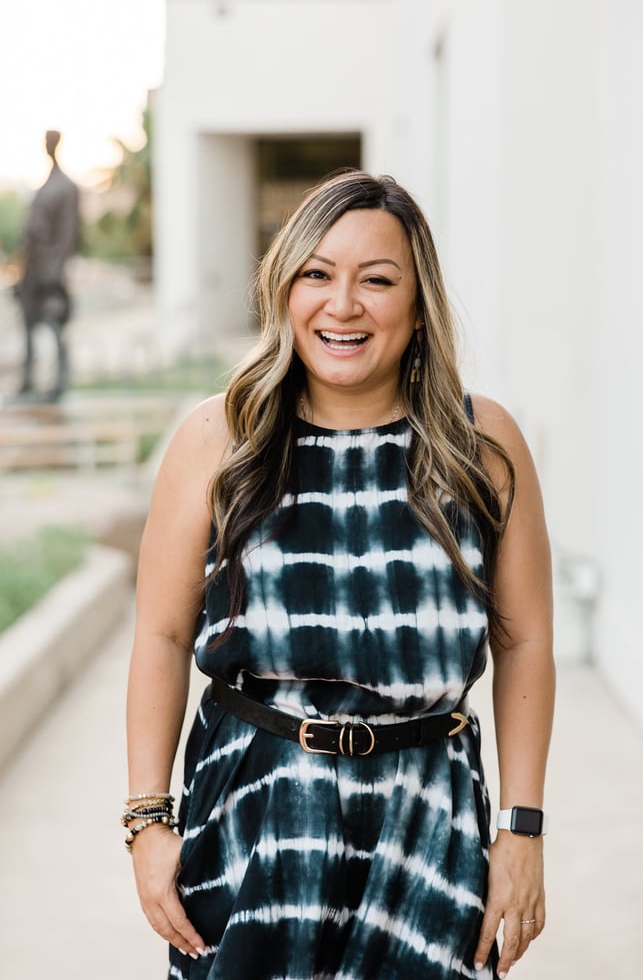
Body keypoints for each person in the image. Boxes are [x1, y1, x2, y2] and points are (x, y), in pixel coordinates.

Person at [126, 170, 555, 979]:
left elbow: (527, 640)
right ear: (284, 289)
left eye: (377, 280)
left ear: (418, 301)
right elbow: (162, 632)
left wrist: (521, 828)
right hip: (254, 823)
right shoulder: (220, 437)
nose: (343, 305)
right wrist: (148, 819)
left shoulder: (482, 446)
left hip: (428, 832)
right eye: (317, 274)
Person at [15, 129, 79, 401]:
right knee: (28, 325)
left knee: (54, 326)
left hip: (49, 273)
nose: (46, 146)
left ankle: (58, 383)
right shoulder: (44, 184)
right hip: (32, 269)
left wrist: (53, 273)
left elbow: (67, 234)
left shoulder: (65, 187)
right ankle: (28, 381)